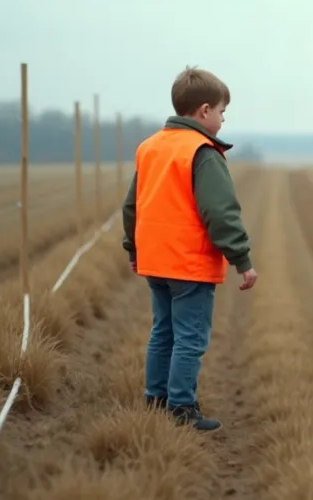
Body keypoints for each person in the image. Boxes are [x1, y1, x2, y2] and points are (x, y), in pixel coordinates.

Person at [121, 66, 257, 432]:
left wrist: (134, 249)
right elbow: (221, 212)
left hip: (156, 261)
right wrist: (242, 260)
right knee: (190, 337)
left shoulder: (150, 148)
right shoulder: (202, 152)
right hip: (188, 264)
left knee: (162, 331)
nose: (224, 118)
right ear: (204, 111)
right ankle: (181, 408)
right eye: (222, 111)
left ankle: (156, 400)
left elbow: (132, 205)